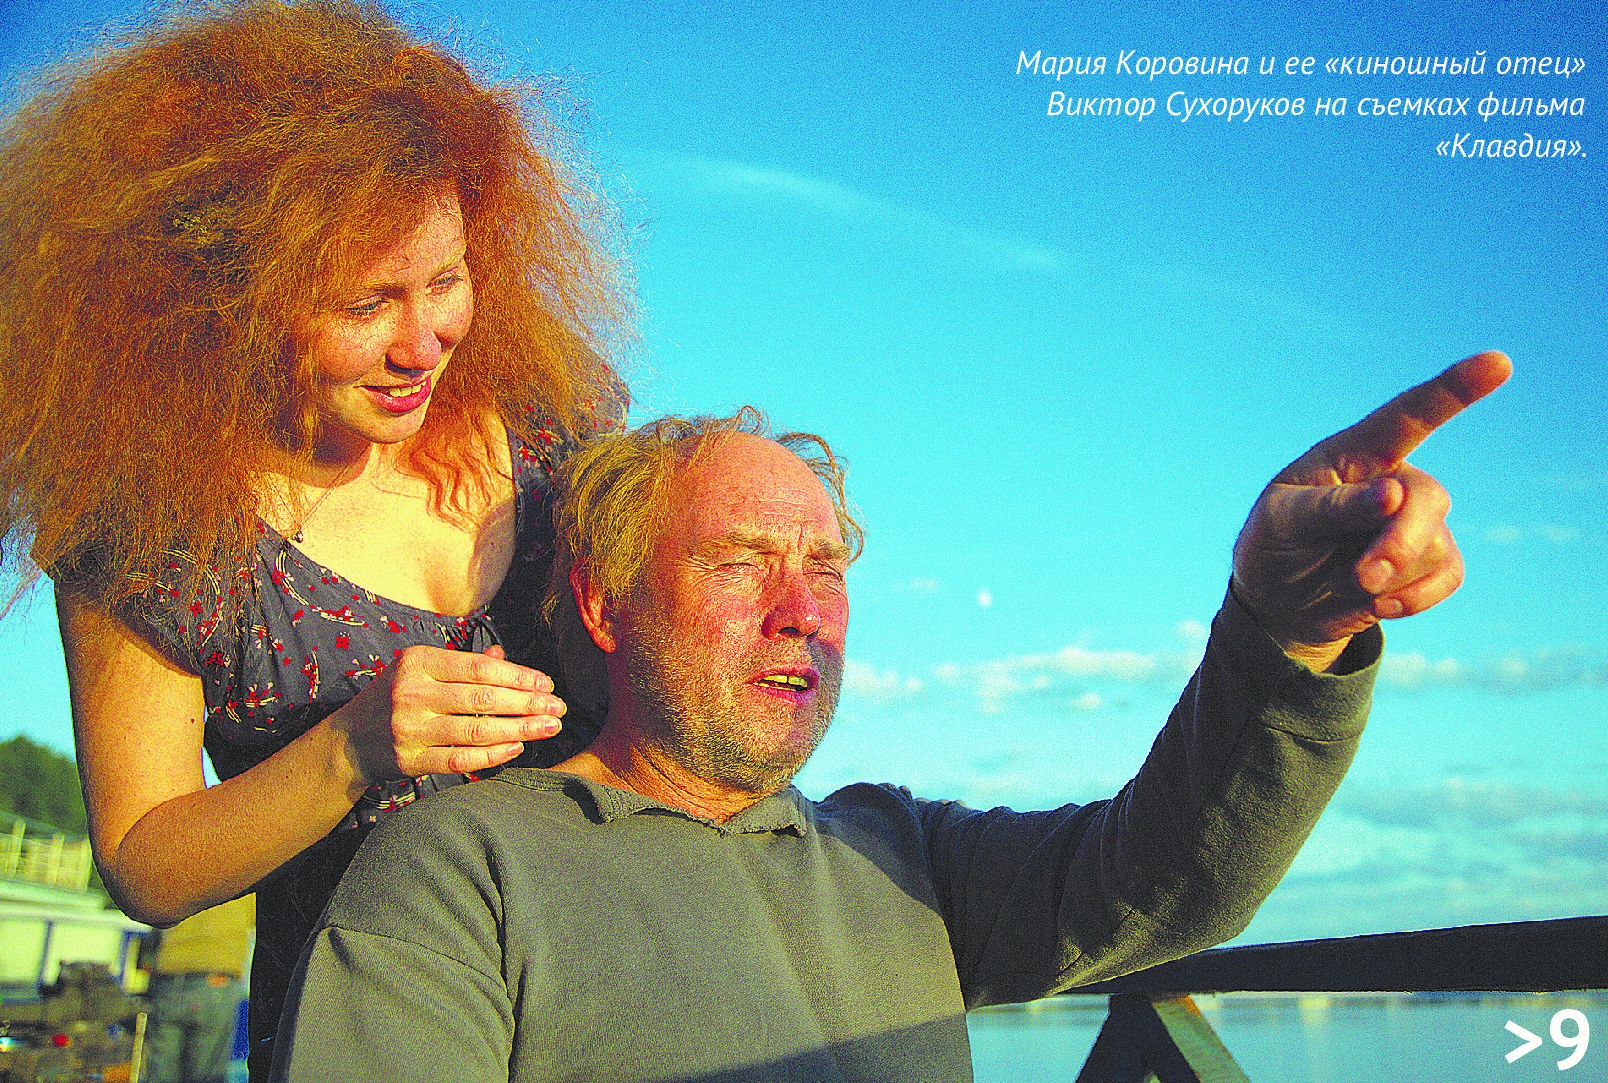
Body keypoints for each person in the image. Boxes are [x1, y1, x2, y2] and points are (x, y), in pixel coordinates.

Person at [269, 353, 1511, 1083]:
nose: (801, 610)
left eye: (828, 568)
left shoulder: (900, 854)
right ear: (603, 604)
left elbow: (1170, 881)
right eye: (740, 563)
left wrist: (1282, 635)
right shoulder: (458, 871)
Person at [0, 1, 631, 1076]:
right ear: (226, 298)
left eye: (447, 279)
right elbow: (146, 862)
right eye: (367, 302)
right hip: (366, 1035)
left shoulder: (546, 418)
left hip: (611, 1006)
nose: (424, 341)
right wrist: (352, 747)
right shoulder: (150, 527)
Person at [143, 895, 255, 1083]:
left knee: (160, 1074)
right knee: (208, 1076)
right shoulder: (243, 884)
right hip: (216, 981)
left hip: (168, 979)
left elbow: (153, 920)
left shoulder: (179, 879)